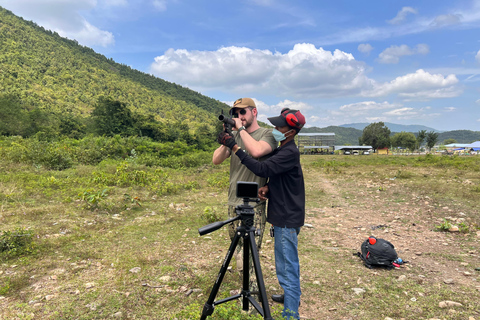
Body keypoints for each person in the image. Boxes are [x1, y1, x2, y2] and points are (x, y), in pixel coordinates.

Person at [217, 107, 306, 320]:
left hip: (286, 217)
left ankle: (291, 313)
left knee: (286, 268)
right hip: (282, 214)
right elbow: (277, 176)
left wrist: (236, 147)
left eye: (279, 126)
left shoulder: (289, 152)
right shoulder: (283, 150)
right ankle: (290, 297)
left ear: (291, 132)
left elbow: (262, 169)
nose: (275, 128)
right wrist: (269, 188)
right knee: (284, 263)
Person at [212, 98, 276, 271]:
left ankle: (251, 294)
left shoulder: (266, 134)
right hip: (233, 202)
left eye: (242, 112)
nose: (238, 116)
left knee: (249, 255)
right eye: (235, 113)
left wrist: (240, 129)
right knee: (238, 250)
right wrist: (226, 142)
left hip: (254, 205)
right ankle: (245, 287)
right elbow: (216, 160)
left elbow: (256, 151)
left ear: (254, 112)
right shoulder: (235, 136)